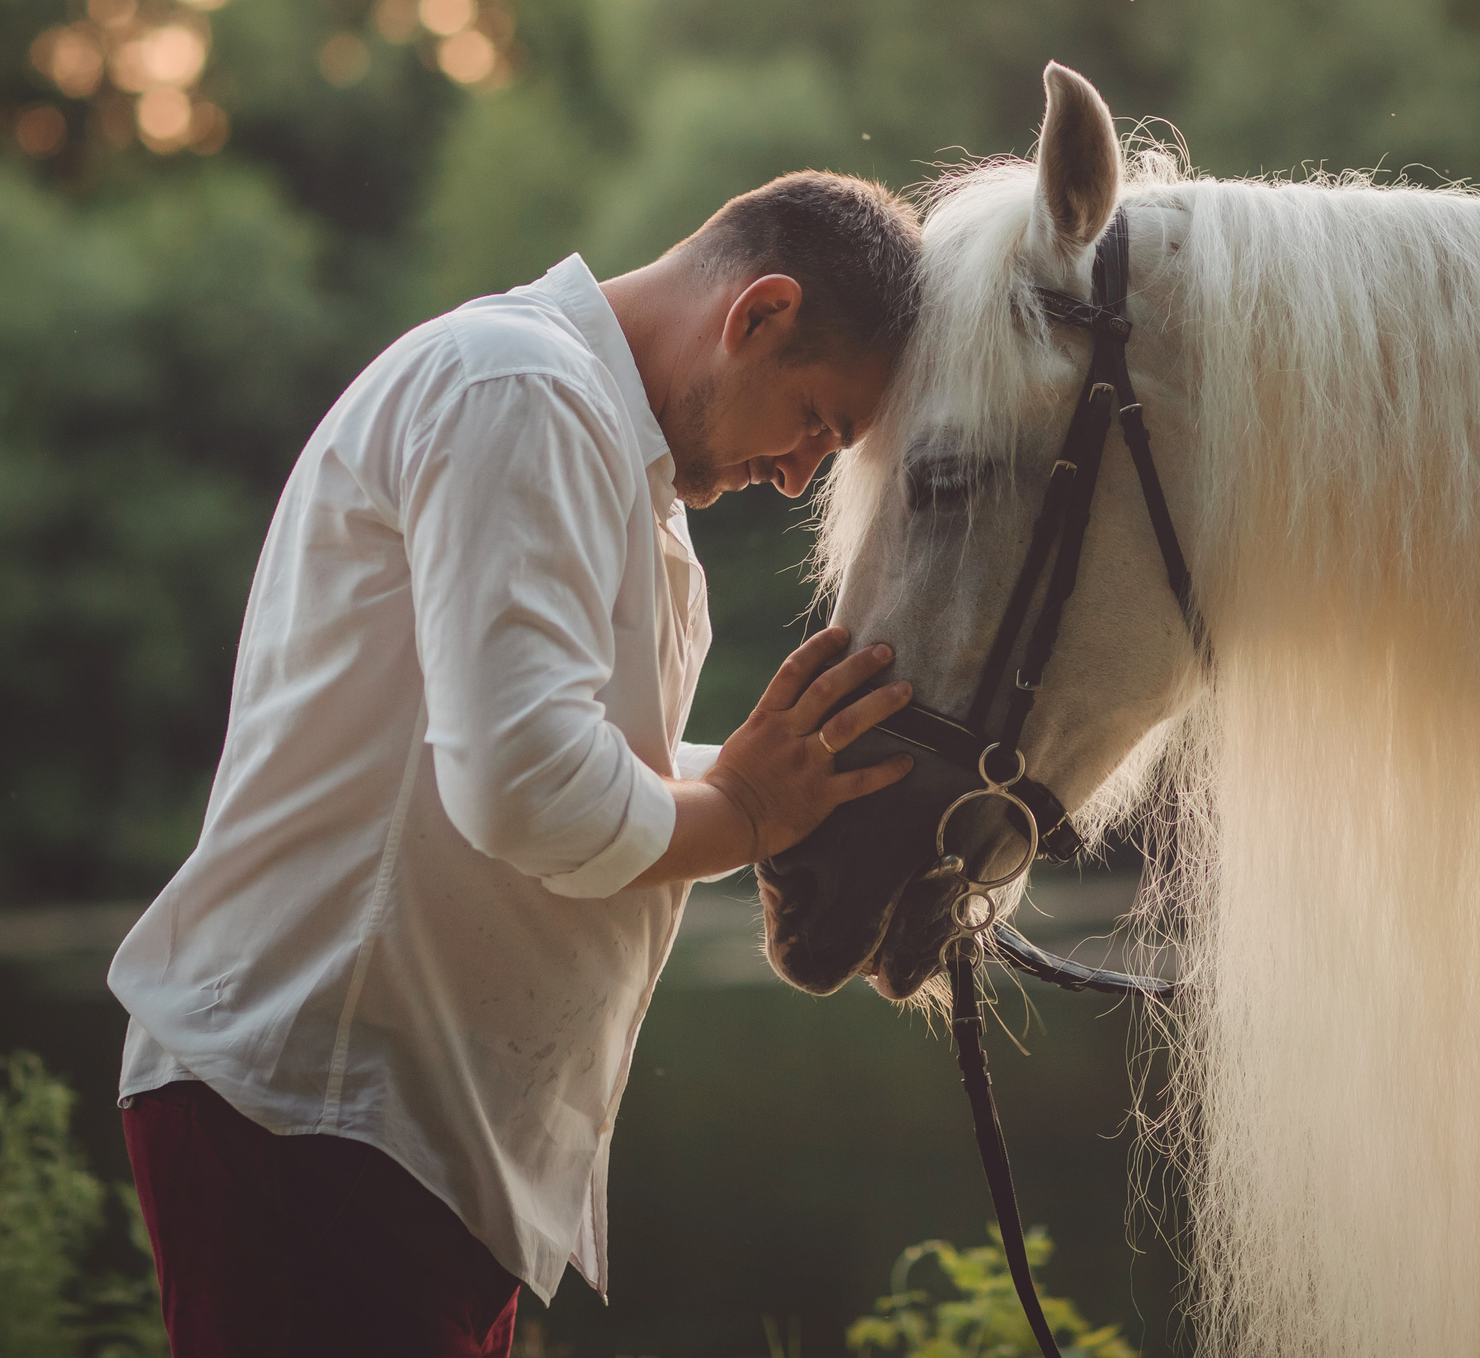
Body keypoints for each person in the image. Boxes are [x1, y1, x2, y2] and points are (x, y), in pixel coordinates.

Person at [107, 171, 926, 1357]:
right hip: (320, 1122)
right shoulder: (524, 391)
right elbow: (530, 787)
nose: (799, 473)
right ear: (759, 315)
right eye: (817, 422)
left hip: (386, 1142)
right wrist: (745, 811)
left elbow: (579, 764)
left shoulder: (606, 455)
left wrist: (813, 795)